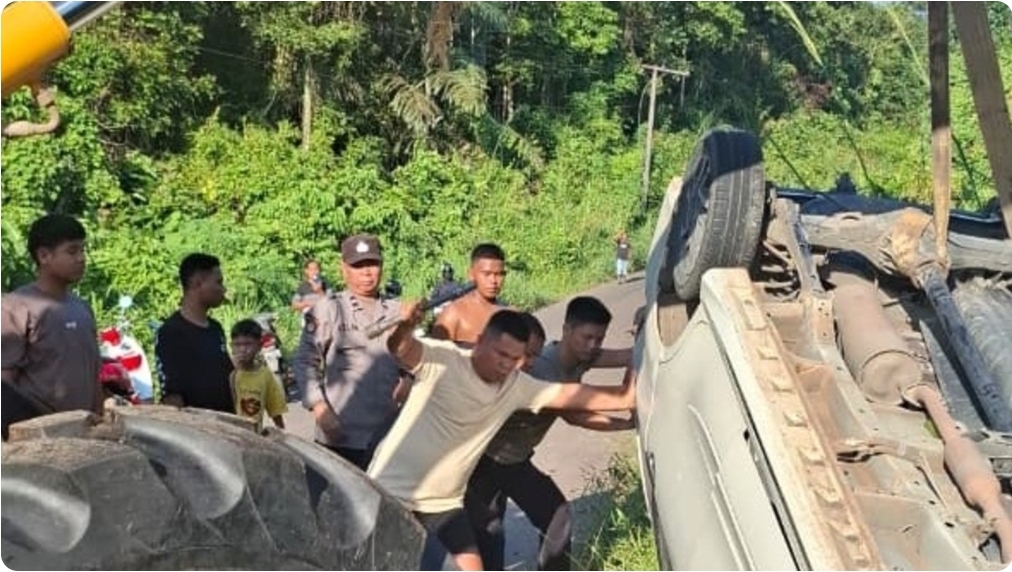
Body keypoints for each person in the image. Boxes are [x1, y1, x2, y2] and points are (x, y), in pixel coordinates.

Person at [368, 306, 636, 571]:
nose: (507, 365)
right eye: (502, 354)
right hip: (391, 495)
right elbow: (401, 348)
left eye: (517, 358)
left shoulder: (517, 385)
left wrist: (625, 396)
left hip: (443, 504)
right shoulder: (444, 359)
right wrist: (404, 325)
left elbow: (571, 395)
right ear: (481, 340)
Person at [465, 297, 634, 571]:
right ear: (567, 330)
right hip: (491, 460)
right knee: (548, 520)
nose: (593, 345)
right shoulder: (543, 370)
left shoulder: (581, 356)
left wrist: (642, 337)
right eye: (587, 337)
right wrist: (626, 420)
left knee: (492, 531)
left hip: (510, 458)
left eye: (599, 339)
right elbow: (577, 415)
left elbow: (624, 355)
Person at [294, 233, 403, 471]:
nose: (366, 273)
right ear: (344, 269)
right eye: (358, 266)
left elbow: (416, 364)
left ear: (381, 266)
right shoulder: (329, 310)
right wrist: (320, 409)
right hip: (340, 438)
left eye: (372, 264)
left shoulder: (397, 311)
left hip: (389, 439)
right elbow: (304, 361)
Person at [2, 214, 102, 439]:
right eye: (72, 251)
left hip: (84, 435)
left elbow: (93, 377)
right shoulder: (16, 307)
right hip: (39, 440)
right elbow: (4, 386)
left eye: (83, 250)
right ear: (44, 255)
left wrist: (99, 420)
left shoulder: (82, 308)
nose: (81, 258)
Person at [154, 253, 234, 413]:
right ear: (198, 283)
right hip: (198, 430)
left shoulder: (215, 328)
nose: (223, 289)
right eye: (218, 282)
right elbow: (172, 394)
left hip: (228, 425)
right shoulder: (170, 333)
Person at [430, 243, 508, 345]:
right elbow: (436, 357)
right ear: (471, 274)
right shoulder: (453, 315)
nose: (493, 281)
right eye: (486, 274)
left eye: (499, 274)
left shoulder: (511, 314)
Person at [229, 319, 287, 431]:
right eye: (237, 344)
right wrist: (234, 368)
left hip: (253, 436)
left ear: (259, 346)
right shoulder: (230, 372)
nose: (242, 349)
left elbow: (275, 408)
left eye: (247, 344)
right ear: (231, 346)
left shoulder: (265, 375)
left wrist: (281, 432)